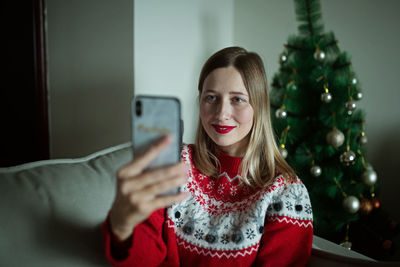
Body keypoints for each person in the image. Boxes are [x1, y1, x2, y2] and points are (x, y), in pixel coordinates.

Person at [102, 47, 313, 266]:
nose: (221, 113)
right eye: (211, 97)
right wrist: (122, 227)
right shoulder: (174, 164)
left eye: (237, 99)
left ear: (258, 106)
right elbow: (144, 261)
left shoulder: (286, 192)